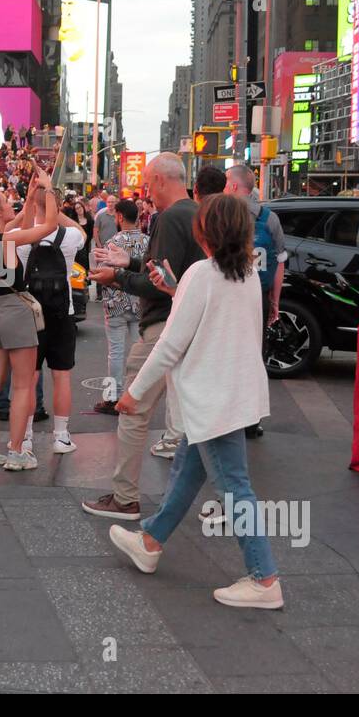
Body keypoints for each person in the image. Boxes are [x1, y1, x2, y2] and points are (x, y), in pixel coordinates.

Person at [107, 194, 283, 610]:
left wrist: (134, 393)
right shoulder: (246, 274)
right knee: (188, 470)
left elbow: (170, 345)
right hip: (234, 395)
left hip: (212, 400)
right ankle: (150, 542)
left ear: (205, 232)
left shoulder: (202, 275)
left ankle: (264, 578)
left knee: (235, 488)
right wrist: (175, 289)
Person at [83, 154, 202, 520]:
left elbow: (159, 285)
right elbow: (168, 274)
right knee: (195, 422)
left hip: (162, 328)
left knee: (132, 407)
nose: (147, 193)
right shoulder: (196, 214)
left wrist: (115, 277)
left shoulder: (170, 219)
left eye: (149, 184)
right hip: (189, 325)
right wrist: (129, 264)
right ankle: (221, 502)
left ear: (164, 180)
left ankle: (125, 497)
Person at [0, 169, 59, 471]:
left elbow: (22, 224)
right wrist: (50, 189)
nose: (10, 204)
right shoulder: (8, 240)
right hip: (17, 313)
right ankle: (16, 452)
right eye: (5, 201)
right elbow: (49, 226)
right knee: (22, 386)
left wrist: (31, 197)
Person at [17, 185, 85, 456]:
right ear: (57, 206)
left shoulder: (22, 238)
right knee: (62, 376)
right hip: (62, 313)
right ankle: (61, 436)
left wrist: (30, 204)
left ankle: (26, 437)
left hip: (31, 314)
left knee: (29, 377)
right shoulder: (68, 236)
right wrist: (56, 212)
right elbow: (83, 231)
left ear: (34, 204)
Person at [224, 164, 287, 439]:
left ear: (236, 187)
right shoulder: (270, 218)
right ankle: (251, 419)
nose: (225, 186)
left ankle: (227, 415)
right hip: (258, 296)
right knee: (255, 356)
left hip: (229, 293)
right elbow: (280, 262)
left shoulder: (224, 216)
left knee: (226, 353)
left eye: (227, 182)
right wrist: (275, 300)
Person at [95, 199, 147, 415]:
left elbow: (100, 273)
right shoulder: (147, 241)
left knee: (115, 353)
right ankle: (135, 395)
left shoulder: (111, 243)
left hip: (115, 304)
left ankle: (111, 397)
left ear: (119, 217)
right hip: (140, 302)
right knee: (137, 351)